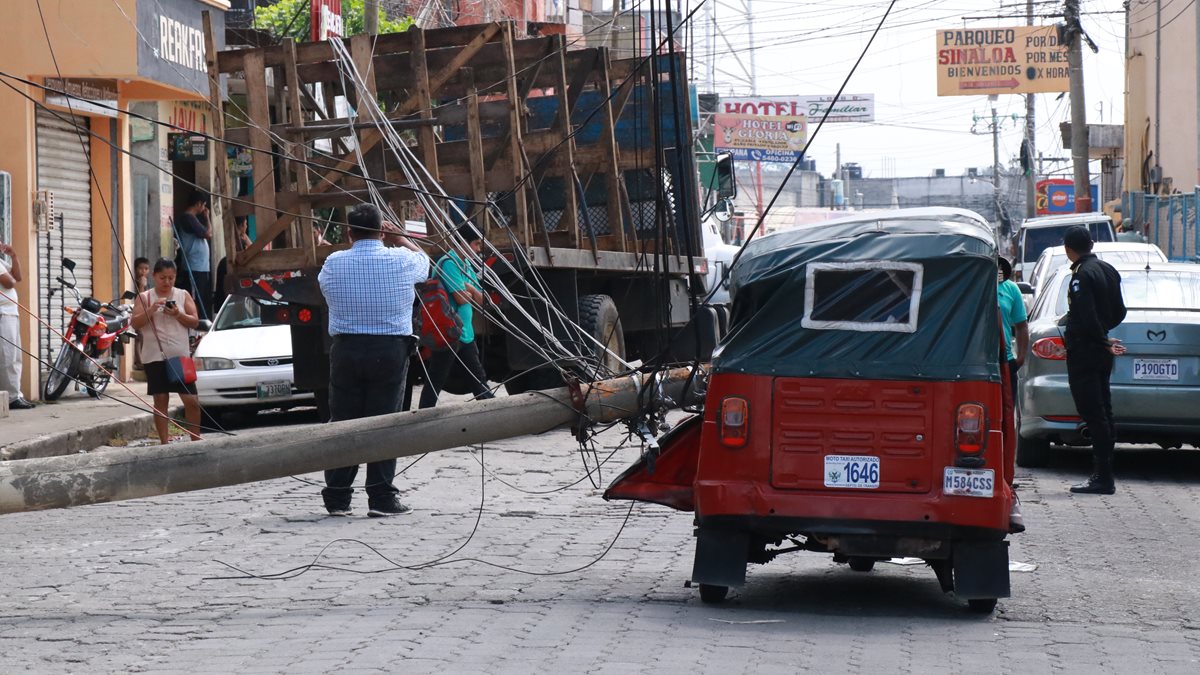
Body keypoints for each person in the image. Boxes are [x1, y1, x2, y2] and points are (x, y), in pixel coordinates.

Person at [318, 203, 428, 518]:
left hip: (347, 350)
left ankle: (338, 496)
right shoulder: (402, 259)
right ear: (382, 231)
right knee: (385, 424)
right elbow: (425, 263)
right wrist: (402, 237)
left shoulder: (334, 262)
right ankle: (381, 497)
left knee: (344, 422)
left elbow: (325, 290)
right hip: (389, 351)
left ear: (349, 233)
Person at [1062, 225, 1127, 495]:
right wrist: (1105, 334)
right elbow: (1120, 311)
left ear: (1069, 249)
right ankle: (1104, 474)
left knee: (1094, 415)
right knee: (1104, 413)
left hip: (1086, 351)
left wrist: (1098, 337)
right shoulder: (1108, 270)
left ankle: (1103, 478)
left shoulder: (1081, 275)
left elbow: (1085, 315)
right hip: (1100, 351)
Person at [419, 224, 495, 409]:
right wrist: (469, 289)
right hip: (450, 333)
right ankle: (421, 417)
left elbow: (481, 299)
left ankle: (493, 412)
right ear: (462, 243)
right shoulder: (449, 263)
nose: (478, 250)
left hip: (464, 333)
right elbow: (461, 299)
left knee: (478, 379)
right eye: (476, 244)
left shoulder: (466, 265)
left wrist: (466, 288)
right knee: (436, 379)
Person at [131, 258, 202, 444]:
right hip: (154, 356)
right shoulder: (145, 297)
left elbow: (195, 321)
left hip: (180, 356)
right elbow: (135, 323)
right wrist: (151, 309)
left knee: (191, 400)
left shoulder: (182, 294)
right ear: (154, 276)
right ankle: (165, 443)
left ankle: (196, 439)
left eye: (171, 278)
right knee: (161, 399)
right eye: (163, 278)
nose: (167, 282)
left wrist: (178, 314)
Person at [0, 240, 36, 410]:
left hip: (10, 314)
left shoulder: (1, 262)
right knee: (7, 357)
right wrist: (10, 276)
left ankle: (14, 394)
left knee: (14, 356)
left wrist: (14, 256)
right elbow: (10, 282)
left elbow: (18, 276)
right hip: (3, 315)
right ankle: (11, 397)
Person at [175, 191, 212, 322]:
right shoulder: (188, 218)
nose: (204, 209)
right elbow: (208, 234)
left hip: (199, 266)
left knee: (202, 297)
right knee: (195, 299)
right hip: (194, 266)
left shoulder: (193, 218)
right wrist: (207, 217)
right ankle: (195, 325)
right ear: (198, 204)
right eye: (204, 205)